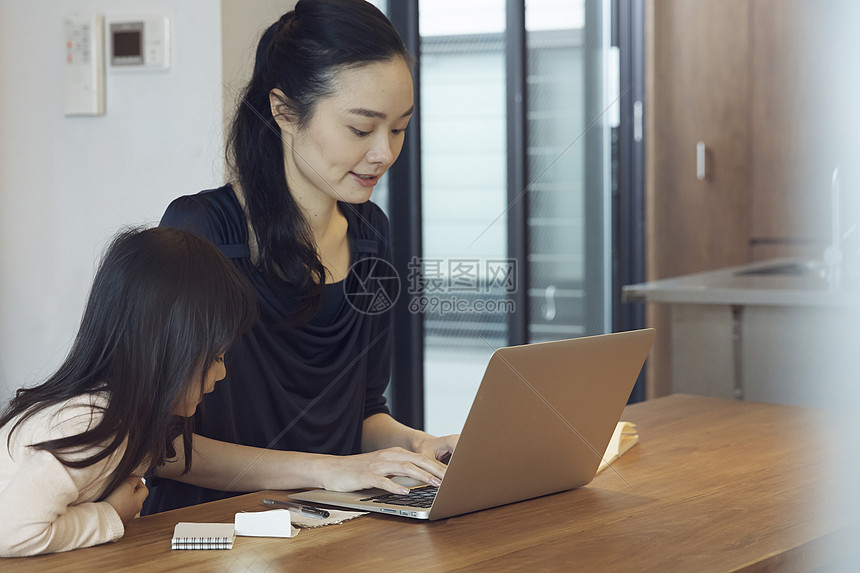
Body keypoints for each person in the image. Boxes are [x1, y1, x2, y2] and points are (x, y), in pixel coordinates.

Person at [142, 0, 458, 514]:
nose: (384, 153)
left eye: (398, 128)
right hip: (208, 532)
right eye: (361, 129)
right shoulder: (201, 232)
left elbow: (362, 414)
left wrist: (416, 444)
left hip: (328, 525)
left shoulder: (371, 235)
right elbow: (162, 445)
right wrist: (326, 469)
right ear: (285, 110)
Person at [0, 227, 257, 557]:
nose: (222, 373)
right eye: (216, 357)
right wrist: (110, 515)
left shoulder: (128, 425)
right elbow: (11, 533)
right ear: (164, 348)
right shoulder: (91, 423)